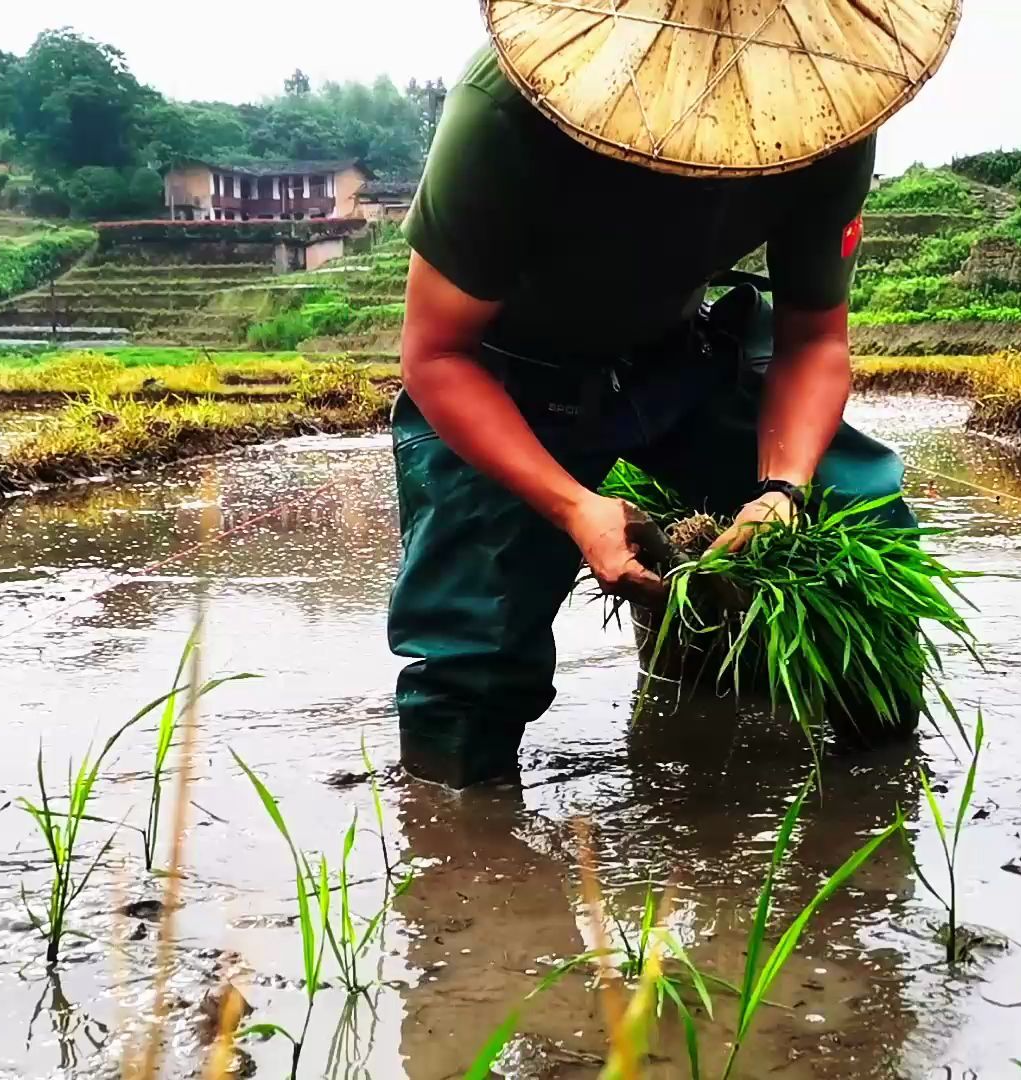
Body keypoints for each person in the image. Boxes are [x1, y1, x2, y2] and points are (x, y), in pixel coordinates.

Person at [389, 0, 962, 789]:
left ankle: (879, 793)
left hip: (677, 356)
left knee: (857, 524)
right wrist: (573, 506)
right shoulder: (508, 110)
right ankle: (456, 825)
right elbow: (437, 355)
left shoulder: (824, 109)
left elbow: (814, 339)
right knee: (470, 649)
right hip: (507, 377)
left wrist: (782, 490)